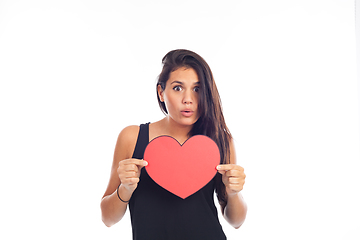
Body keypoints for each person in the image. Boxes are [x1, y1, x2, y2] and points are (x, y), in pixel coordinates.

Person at [100, 49, 247, 239]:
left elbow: (236, 222)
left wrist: (233, 193)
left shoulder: (220, 141)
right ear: (161, 92)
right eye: (178, 88)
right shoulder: (132, 137)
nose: (188, 99)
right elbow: (107, 218)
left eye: (197, 89)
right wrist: (125, 188)